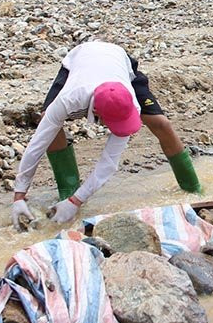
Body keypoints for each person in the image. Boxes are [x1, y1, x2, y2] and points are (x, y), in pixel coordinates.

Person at [11, 41, 201, 230]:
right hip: (80, 60)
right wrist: (19, 195)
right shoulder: (69, 100)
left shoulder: (130, 102)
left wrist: (76, 201)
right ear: (96, 112)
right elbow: (37, 144)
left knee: (161, 123)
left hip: (117, 60)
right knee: (48, 121)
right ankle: (66, 192)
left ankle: (193, 188)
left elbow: (109, 162)